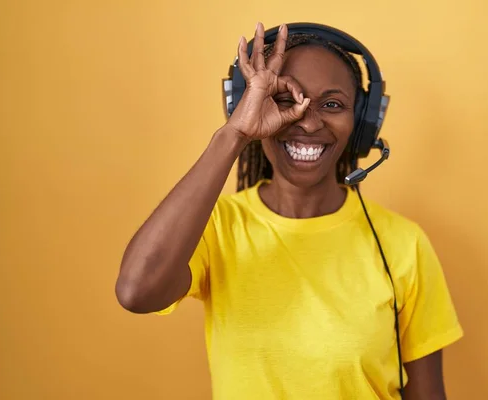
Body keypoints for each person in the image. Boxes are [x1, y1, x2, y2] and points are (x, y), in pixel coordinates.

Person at [115, 21, 463, 400]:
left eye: (332, 104)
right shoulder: (218, 227)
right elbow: (137, 291)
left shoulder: (403, 243)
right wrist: (234, 134)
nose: (309, 122)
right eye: (284, 99)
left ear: (362, 124)